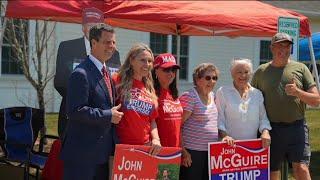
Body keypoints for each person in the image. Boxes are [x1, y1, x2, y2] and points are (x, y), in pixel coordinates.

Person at [252, 32, 320, 180]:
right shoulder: (261, 72)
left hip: (297, 128)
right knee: (272, 171)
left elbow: (316, 100)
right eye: (279, 45)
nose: (283, 49)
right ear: (272, 48)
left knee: (301, 168)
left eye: (287, 46)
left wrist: (297, 92)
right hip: (271, 130)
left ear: (291, 49)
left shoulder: (301, 68)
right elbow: (251, 100)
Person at [60, 24, 123, 180]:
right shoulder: (80, 73)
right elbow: (75, 111)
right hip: (82, 156)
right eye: (107, 42)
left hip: (102, 154)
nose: (112, 46)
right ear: (93, 43)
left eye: (114, 42)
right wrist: (108, 115)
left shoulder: (106, 71)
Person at [54, 7, 121, 138]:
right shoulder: (67, 47)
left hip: (104, 126)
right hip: (74, 120)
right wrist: (86, 101)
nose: (92, 28)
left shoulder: (114, 53)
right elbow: (60, 82)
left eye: (96, 25)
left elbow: (113, 82)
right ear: (83, 26)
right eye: (90, 24)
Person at [112, 43, 161, 155]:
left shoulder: (149, 89)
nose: (147, 64)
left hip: (145, 149)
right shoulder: (117, 80)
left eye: (149, 61)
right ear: (132, 61)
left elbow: (152, 120)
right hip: (121, 147)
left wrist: (156, 139)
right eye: (142, 60)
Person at [215, 58, 271, 148]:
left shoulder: (257, 94)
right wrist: (224, 136)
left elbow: (263, 119)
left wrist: (265, 132)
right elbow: (219, 118)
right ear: (232, 74)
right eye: (239, 72)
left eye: (246, 72)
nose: (243, 75)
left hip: (251, 147)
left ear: (251, 74)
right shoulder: (222, 92)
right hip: (228, 146)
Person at [179, 63, 219, 180]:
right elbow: (177, 126)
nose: (211, 81)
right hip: (192, 152)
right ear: (197, 79)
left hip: (210, 152)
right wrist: (183, 151)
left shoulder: (213, 95)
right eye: (208, 78)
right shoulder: (190, 96)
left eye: (214, 78)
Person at [152, 53, 183, 147]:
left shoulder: (174, 94)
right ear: (156, 71)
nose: (171, 73)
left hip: (176, 152)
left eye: (173, 70)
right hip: (158, 150)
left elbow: (178, 126)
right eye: (166, 69)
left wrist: (183, 149)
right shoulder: (151, 94)